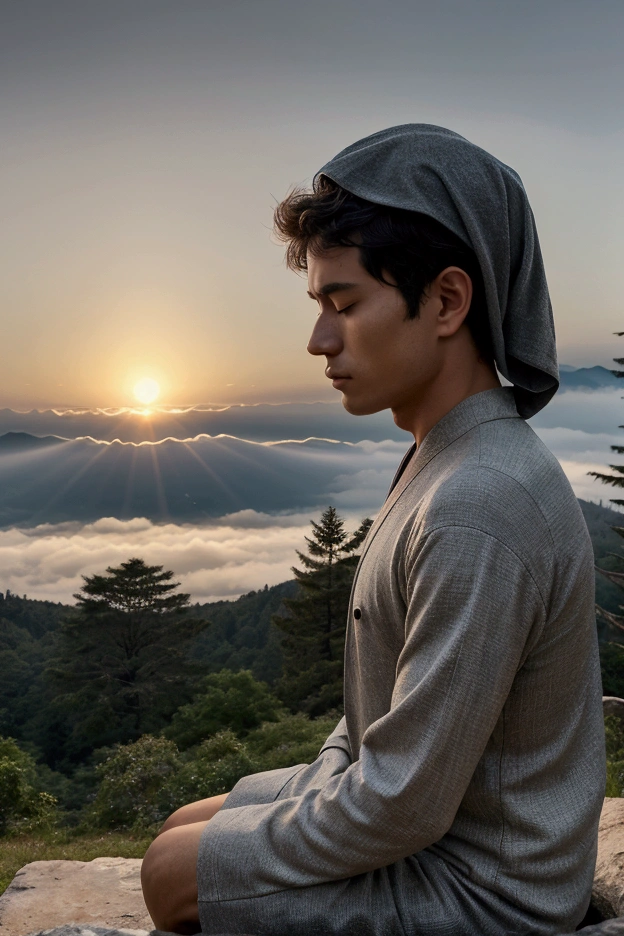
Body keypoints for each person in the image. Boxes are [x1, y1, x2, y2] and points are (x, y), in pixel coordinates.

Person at [141, 124, 606, 936]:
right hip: (431, 823)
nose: (320, 340)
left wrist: (249, 843)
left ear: (449, 301)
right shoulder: (443, 457)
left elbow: (403, 805)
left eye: (346, 304)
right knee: (185, 822)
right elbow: (376, 731)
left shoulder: (480, 502)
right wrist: (315, 785)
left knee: (168, 872)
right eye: (320, 306)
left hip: (487, 892)